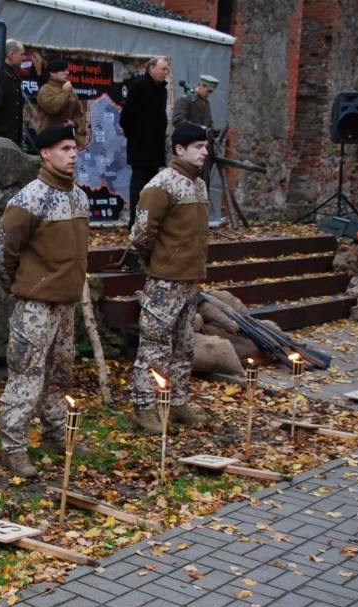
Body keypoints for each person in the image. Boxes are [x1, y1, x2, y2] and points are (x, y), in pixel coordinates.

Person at [0, 125, 91, 478]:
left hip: (66, 305)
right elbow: (1, 254)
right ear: (45, 154)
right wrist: (24, 288)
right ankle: (13, 447)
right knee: (26, 375)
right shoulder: (29, 199)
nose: (72, 154)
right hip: (35, 307)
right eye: (64, 148)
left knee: (60, 374)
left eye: (74, 148)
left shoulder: (79, 197)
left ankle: (56, 432)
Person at [128, 122, 211, 434]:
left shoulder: (199, 185)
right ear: (180, 149)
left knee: (184, 345)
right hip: (164, 281)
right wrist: (157, 263)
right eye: (198, 147)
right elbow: (140, 235)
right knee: (154, 345)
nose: (205, 152)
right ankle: (144, 406)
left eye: (206, 146)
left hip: (190, 279)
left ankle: (177, 402)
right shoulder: (161, 185)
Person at [120, 56, 170, 227]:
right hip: (140, 147)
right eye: (163, 69)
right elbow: (126, 116)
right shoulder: (139, 87)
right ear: (151, 68)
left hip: (155, 148)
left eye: (166, 69)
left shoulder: (162, 90)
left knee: (153, 188)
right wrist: (135, 135)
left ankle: (150, 221)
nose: (166, 72)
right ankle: (135, 222)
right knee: (139, 186)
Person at [36, 59, 88, 149]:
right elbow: (53, 108)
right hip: (50, 139)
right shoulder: (45, 90)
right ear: (52, 73)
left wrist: (74, 123)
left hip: (69, 138)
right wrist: (65, 92)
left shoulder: (71, 91)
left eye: (67, 70)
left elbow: (79, 114)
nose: (67, 72)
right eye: (63, 70)